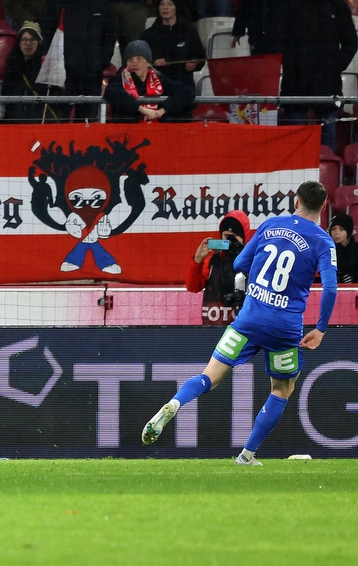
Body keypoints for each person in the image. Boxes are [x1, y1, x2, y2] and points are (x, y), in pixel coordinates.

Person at [142, 181, 338, 465]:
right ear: (324, 204)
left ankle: (175, 403)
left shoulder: (270, 226)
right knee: (281, 389)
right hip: (284, 329)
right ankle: (247, 455)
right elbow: (330, 288)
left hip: (247, 320)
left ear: (296, 202)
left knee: (210, 375)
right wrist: (320, 328)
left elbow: (239, 264)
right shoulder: (322, 240)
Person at [278, 0, 357, 152]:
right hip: (295, 84)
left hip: (327, 84)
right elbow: (279, 38)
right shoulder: (291, 2)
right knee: (292, 142)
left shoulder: (337, 4)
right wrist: (291, 63)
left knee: (327, 141)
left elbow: (351, 41)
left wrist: (336, 65)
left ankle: (325, 177)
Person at [39, 0, 117, 121]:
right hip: (63, 74)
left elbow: (110, 35)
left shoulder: (102, 3)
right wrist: (55, 60)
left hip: (91, 75)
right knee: (59, 119)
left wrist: (101, 61)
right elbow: (47, 31)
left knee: (87, 120)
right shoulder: (57, 1)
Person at [103, 40, 195, 122]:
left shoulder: (159, 78)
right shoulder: (120, 78)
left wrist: (161, 111)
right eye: (130, 60)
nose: (134, 63)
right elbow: (112, 92)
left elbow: (187, 91)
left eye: (139, 59)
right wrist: (142, 110)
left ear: (148, 63)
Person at [185, 210, 250, 326]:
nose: (230, 242)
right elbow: (192, 287)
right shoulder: (212, 261)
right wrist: (198, 259)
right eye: (226, 237)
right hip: (212, 327)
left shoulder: (252, 262)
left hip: (240, 330)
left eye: (234, 238)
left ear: (244, 237)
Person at [141, 0, 205, 93]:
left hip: (183, 87)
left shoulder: (189, 31)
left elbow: (200, 57)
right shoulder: (148, 34)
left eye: (170, 4)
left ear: (177, 8)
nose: (165, 7)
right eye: (162, 4)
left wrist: (194, 64)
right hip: (156, 86)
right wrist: (153, 61)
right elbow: (140, 61)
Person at [94, 0, 166, 61]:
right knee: (102, 44)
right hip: (107, 2)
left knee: (134, 48)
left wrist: (161, 2)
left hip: (138, 5)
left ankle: (132, 73)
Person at [1, 21, 62, 123]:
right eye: (24, 40)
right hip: (14, 121)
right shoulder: (12, 63)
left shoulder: (46, 65)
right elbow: (6, 93)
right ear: (19, 43)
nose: (28, 43)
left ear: (39, 42)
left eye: (32, 39)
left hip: (40, 121)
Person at [231, 0, 296, 56]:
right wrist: (238, 30)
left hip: (279, 36)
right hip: (257, 35)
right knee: (258, 65)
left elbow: (294, 7)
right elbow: (245, 3)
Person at [329, 213, 358, 284]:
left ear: (348, 231)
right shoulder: (328, 250)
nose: (337, 233)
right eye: (333, 229)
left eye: (341, 229)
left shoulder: (356, 250)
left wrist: (353, 278)